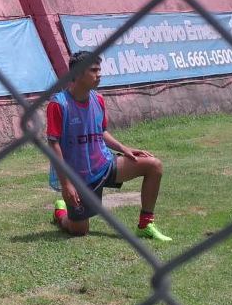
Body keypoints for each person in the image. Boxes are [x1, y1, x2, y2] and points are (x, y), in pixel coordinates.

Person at [47, 51, 172, 241]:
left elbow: (101, 132)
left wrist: (124, 149)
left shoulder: (98, 99)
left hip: (104, 165)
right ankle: (61, 214)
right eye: (93, 70)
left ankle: (145, 224)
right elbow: (53, 145)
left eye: (99, 69)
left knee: (154, 165)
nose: (99, 74)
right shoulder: (59, 104)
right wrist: (66, 185)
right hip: (79, 177)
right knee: (79, 230)